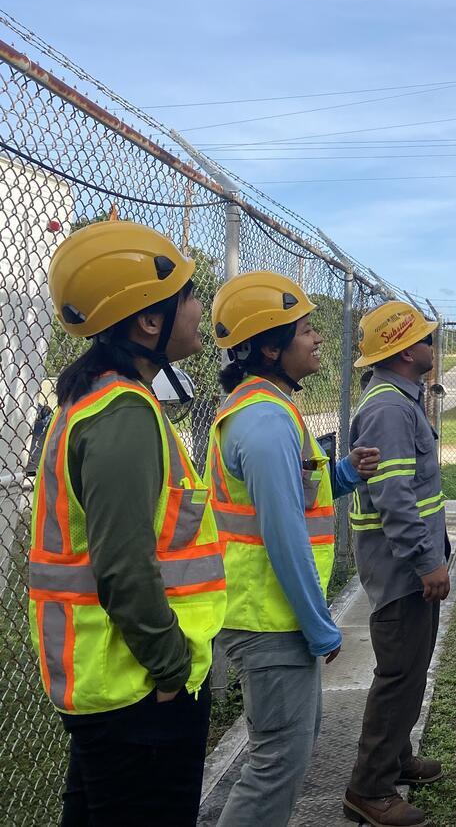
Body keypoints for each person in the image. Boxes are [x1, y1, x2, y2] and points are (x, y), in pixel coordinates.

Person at [29, 220, 226, 826]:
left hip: (115, 684)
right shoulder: (123, 415)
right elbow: (123, 567)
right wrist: (170, 668)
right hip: (138, 690)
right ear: (148, 321)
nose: (200, 309)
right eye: (190, 296)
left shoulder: (105, 401)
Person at [204, 271, 381, 826]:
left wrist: (344, 475)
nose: (319, 339)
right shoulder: (262, 422)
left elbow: (295, 495)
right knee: (277, 763)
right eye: (307, 330)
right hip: (270, 620)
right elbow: (283, 536)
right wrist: (320, 624)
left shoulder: (270, 410)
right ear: (271, 346)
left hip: (272, 616)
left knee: (287, 752)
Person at [343, 301, 451, 827]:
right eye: (426, 338)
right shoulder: (389, 408)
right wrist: (428, 561)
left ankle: (396, 758)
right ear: (407, 350)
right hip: (402, 568)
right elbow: (395, 497)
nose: (433, 345)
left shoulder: (399, 400)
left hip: (406, 564)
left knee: (412, 668)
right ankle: (370, 788)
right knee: (400, 672)